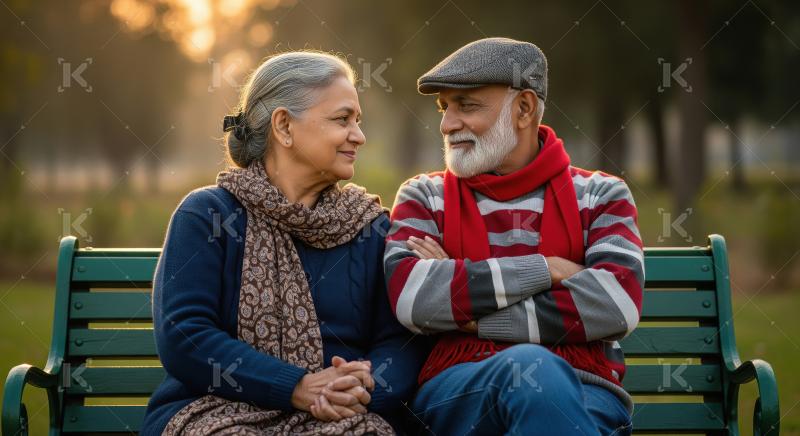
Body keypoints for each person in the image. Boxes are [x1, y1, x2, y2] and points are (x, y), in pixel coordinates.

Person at [140, 50, 427, 435]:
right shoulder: (209, 216)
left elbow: (400, 342)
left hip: (345, 418)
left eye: (358, 121)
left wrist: (357, 392)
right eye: (343, 119)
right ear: (284, 126)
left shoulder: (369, 228)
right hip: (216, 412)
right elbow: (186, 336)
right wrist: (297, 387)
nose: (358, 136)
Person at [384, 37, 643, 435]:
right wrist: (550, 268)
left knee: (543, 387)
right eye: (444, 107)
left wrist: (473, 318)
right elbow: (415, 298)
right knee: (534, 369)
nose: (447, 124)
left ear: (523, 109)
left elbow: (615, 302)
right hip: (460, 389)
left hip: (587, 388)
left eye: (466, 105)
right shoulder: (424, 195)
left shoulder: (602, 195)